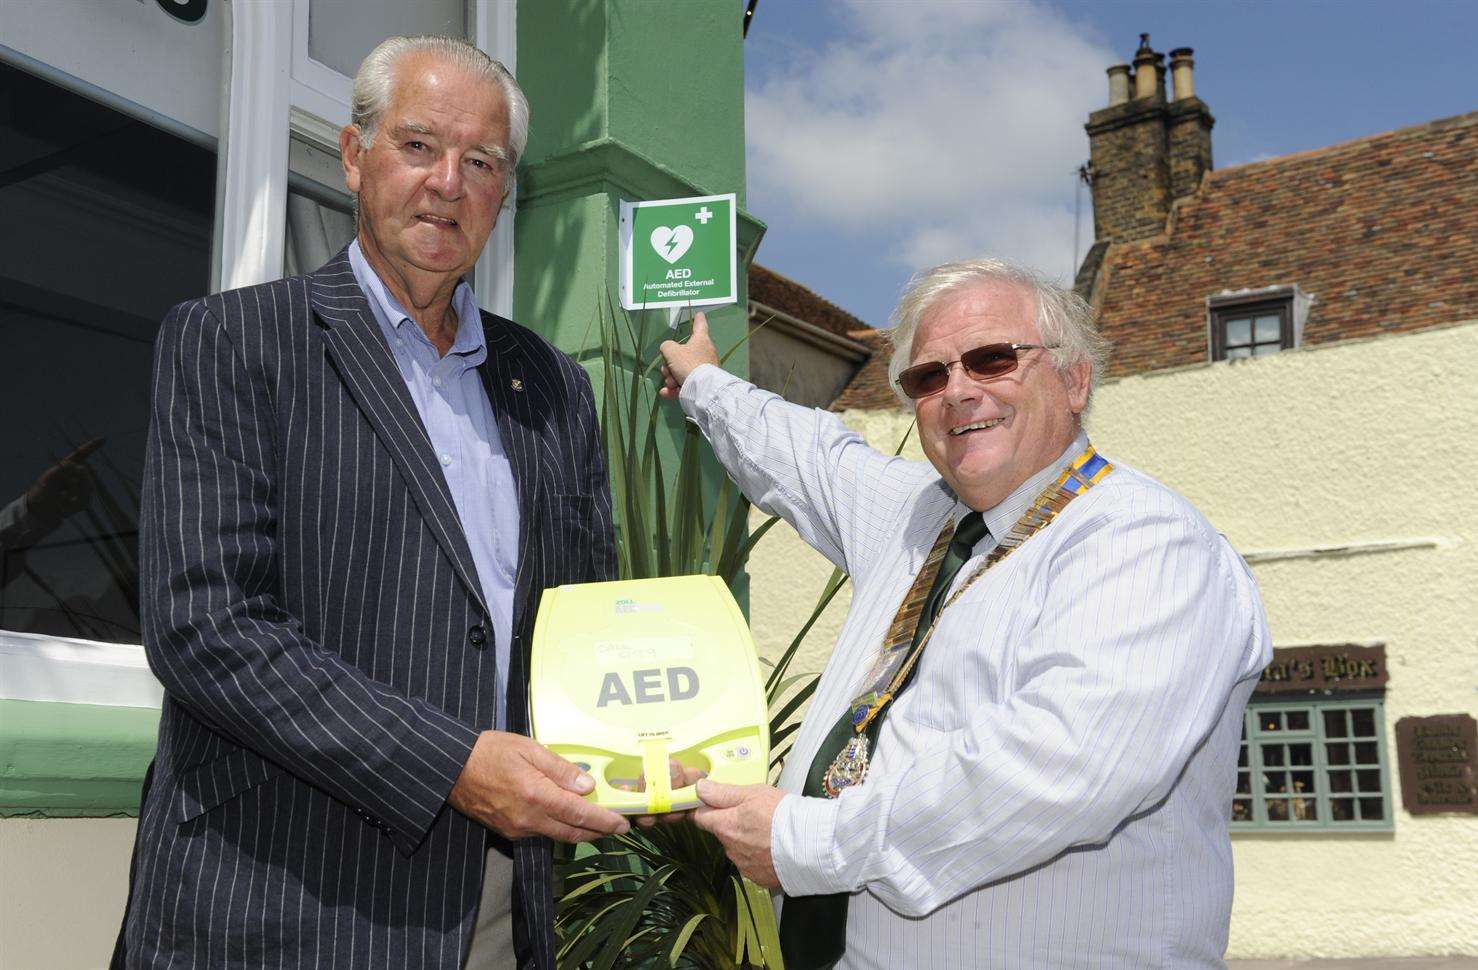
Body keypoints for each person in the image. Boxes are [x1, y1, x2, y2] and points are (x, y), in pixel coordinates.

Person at [117, 36, 629, 969]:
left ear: (504, 191)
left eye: (480, 162)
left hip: (494, 915)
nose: (447, 183)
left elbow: (585, 622)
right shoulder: (233, 343)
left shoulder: (553, 387)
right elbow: (204, 625)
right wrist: (453, 768)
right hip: (279, 901)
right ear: (355, 156)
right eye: (419, 146)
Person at [659, 258, 1272, 969]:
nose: (958, 392)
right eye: (929, 376)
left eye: (992, 360)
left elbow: (1054, 767)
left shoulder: (1144, 543)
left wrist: (806, 842)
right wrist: (706, 383)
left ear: (1075, 380)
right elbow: (810, 458)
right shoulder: (922, 516)